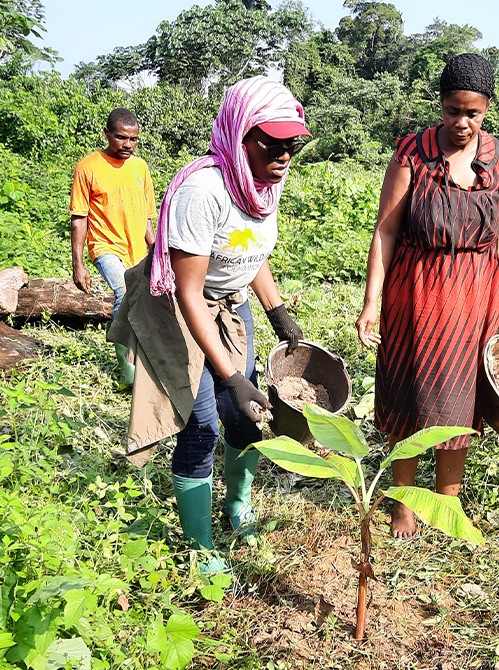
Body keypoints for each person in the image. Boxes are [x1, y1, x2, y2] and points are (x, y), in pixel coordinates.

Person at [107, 76, 310, 573]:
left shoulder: (263, 181)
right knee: (200, 424)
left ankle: (238, 506)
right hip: (180, 308)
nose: (284, 154)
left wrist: (276, 310)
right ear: (241, 135)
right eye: (272, 142)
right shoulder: (203, 192)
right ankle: (200, 548)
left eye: (293, 144)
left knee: (245, 417)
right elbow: (189, 293)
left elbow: (249, 248)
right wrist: (232, 375)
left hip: (230, 303)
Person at [355, 53, 499, 538]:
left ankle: (446, 504)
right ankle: (403, 502)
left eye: (472, 113)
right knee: (409, 391)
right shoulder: (412, 152)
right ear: (441, 105)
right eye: (453, 110)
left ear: (488, 108)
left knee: (458, 398)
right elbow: (385, 232)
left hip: (474, 293)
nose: (462, 123)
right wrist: (372, 301)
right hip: (414, 288)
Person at [70, 107, 157, 386]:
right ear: (106, 133)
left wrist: (156, 251)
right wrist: (78, 265)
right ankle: (127, 371)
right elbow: (79, 218)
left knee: (144, 303)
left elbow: (145, 216)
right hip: (105, 246)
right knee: (124, 290)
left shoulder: (140, 168)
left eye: (133, 139)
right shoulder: (88, 167)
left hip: (137, 251)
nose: (127, 145)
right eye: (121, 138)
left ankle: (142, 358)